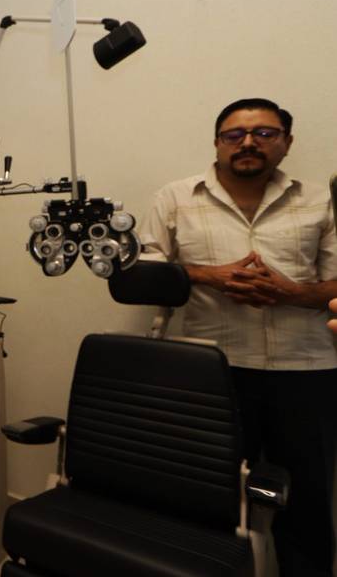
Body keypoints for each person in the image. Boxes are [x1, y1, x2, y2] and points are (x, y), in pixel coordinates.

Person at [139, 98, 337, 577]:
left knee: (307, 500)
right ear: (217, 143)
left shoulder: (321, 201)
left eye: (264, 133)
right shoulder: (175, 197)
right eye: (235, 134)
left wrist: (289, 293)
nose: (248, 142)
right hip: (212, 371)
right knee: (208, 494)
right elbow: (144, 274)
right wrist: (209, 275)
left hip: (306, 370)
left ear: (287, 142)